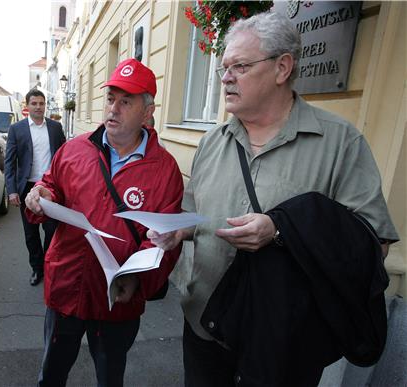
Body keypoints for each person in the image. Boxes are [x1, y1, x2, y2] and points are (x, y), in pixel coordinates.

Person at [147, 12, 399, 386]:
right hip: (205, 326)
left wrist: (282, 232)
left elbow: (372, 246)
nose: (227, 77)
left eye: (240, 66)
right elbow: (193, 214)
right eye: (223, 68)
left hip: (286, 340)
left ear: (282, 68)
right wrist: (176, 233)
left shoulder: (340, 143)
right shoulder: (212, 143)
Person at [24, 58, 184, 386]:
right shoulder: (74, 150)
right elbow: (50, 184)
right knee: (51, 373)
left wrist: (139, 281)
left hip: (118, 297)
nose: (114, 108)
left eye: (126, 101)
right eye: (110, 98)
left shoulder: (165, 169)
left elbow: (165, 236)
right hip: (67, 284)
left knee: (110, 376)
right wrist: (40, 194)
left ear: (148, 111)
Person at [5, 89, 66, 286]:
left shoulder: (56, 127)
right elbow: (9, 161)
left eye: (41, 103)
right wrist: (12, 190)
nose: (38, 107)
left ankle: (48, 265)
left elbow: (65, 156)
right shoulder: (17, 129)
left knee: (52, 231)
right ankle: (37, 268)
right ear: (27, 105)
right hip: (27, 188)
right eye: (34, 103)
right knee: (31, 233)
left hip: (50, 188)